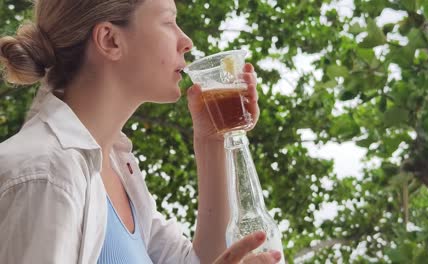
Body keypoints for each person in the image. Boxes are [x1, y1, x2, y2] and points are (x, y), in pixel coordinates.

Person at [0, 0, 283, 263]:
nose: (186, 41)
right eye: (168, 22)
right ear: (110, 40)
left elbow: (201, 261)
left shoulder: (115, 168)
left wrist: (212, 139)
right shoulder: (45, 175)